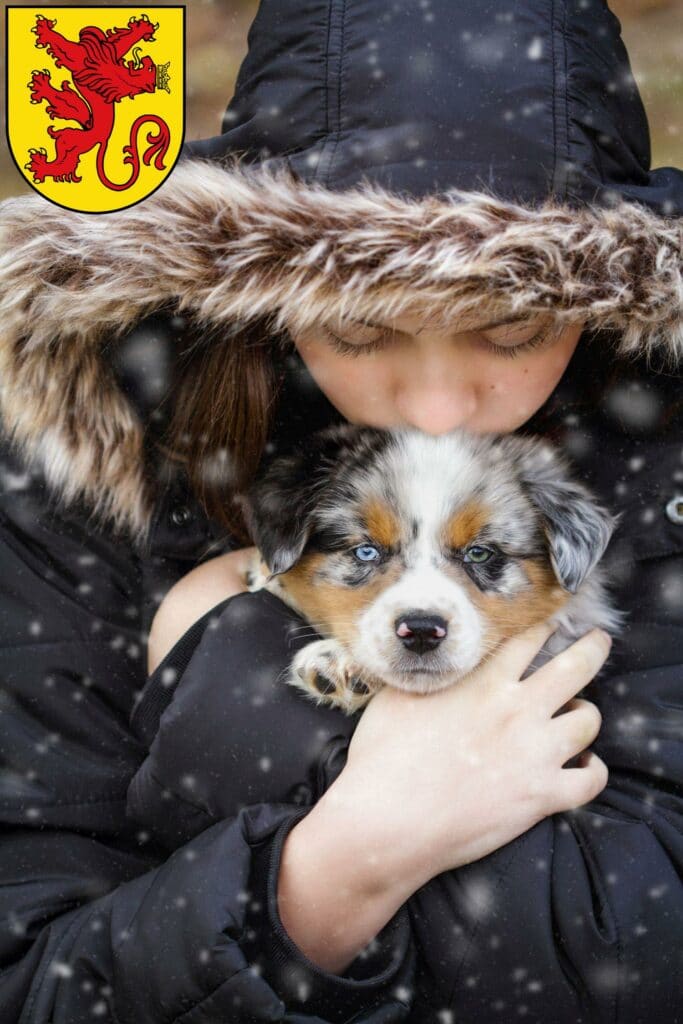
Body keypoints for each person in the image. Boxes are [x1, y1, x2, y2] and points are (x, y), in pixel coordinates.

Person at [0, 1, 681, 1022]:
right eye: (362, 331)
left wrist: (231, 673)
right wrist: (327, 874)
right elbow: (35, 978)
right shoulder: (92, 460)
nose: (440, 407)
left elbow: (645, 950)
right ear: (260, 287)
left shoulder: (657, 434)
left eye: (510, 327)